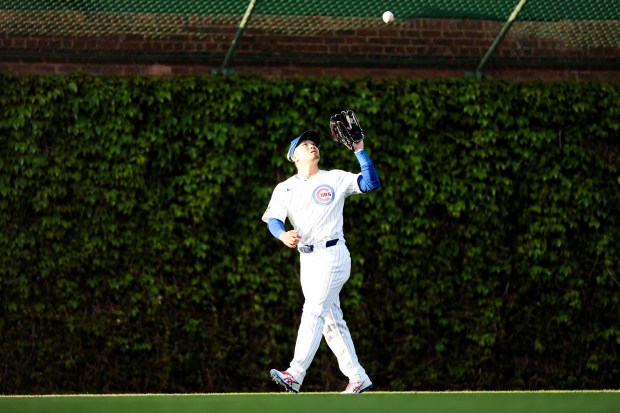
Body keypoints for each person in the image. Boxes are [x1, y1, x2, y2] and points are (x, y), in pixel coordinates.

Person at [261, 125, 380, 394]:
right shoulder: (285, 188)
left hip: (333, 254)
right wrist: (282, 236)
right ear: (293, 156)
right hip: (308, 259)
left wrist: (359, 151)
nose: (312, 146)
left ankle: (295, 373)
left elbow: (370, 182)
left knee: (313, 310)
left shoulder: (335, 178)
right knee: (330, 320)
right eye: (304, 145)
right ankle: (357, 376)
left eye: (314, 143)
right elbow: (274, 220)